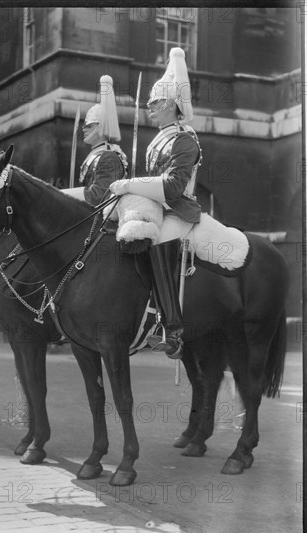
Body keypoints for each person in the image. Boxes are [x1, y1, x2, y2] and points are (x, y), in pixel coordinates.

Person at [109, 47, 203, 359]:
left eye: (156, 102)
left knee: (159, 240)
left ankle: (172, 329)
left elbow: (175, 186)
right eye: (149, 102)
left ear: (173, 105)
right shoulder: (158, 140)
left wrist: (132, 184)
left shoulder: (184, 140)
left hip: (178, 208)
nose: (150, 108)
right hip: (158, 206)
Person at [62, 74, 128, 206]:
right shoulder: (96, 155)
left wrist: (66, 195)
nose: (83, 129)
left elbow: (99, 196)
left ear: (101, 126)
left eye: (89, 126)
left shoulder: (109, 157)